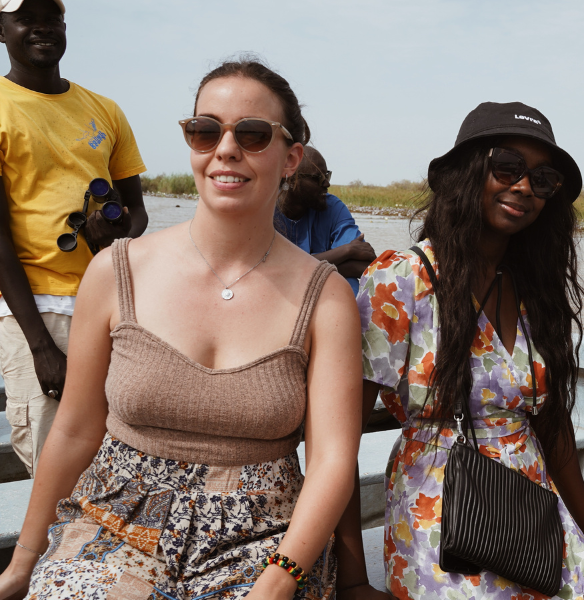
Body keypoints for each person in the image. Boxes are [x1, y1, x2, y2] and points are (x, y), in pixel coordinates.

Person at [0, 58, 361, 600]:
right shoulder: (116, 270)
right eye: (205, 129)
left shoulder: (324, 295)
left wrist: (280, 580)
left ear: (291, 158)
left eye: (253, 134)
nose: (226, 148)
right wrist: (23, 561)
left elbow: (333, 458)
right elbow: (75, 430)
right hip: (114, 522)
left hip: (263, 538)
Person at [340, 102, 584, 599]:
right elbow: (339, 438)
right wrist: (350, 579)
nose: (524, 187)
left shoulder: (533, 289)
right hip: (439, 509)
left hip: (532, 508)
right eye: (507, 168)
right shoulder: (401, 281)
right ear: (467, 174)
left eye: (542, 181)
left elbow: (551, 421)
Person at [0, 0, 147, 477]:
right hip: (34, 312)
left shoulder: (105, 110)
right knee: (53, 469)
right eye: (26, 17)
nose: (42, 27)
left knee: (117, 462)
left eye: (52, 16)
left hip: (108, 308)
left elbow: (139, 213)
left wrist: (118, 234)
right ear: (2, 31)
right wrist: (41, 347)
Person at [275, 146, 376, 294]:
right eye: (318, 178)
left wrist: (300, 271)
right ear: (290, 178)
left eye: (326, 176)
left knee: (348, 282)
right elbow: (267, 271)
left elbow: (363, 264)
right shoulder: (264, 212)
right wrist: (347, 251)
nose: (326, 184)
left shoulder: (333, 207)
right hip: (275, 297)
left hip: (323, 298)